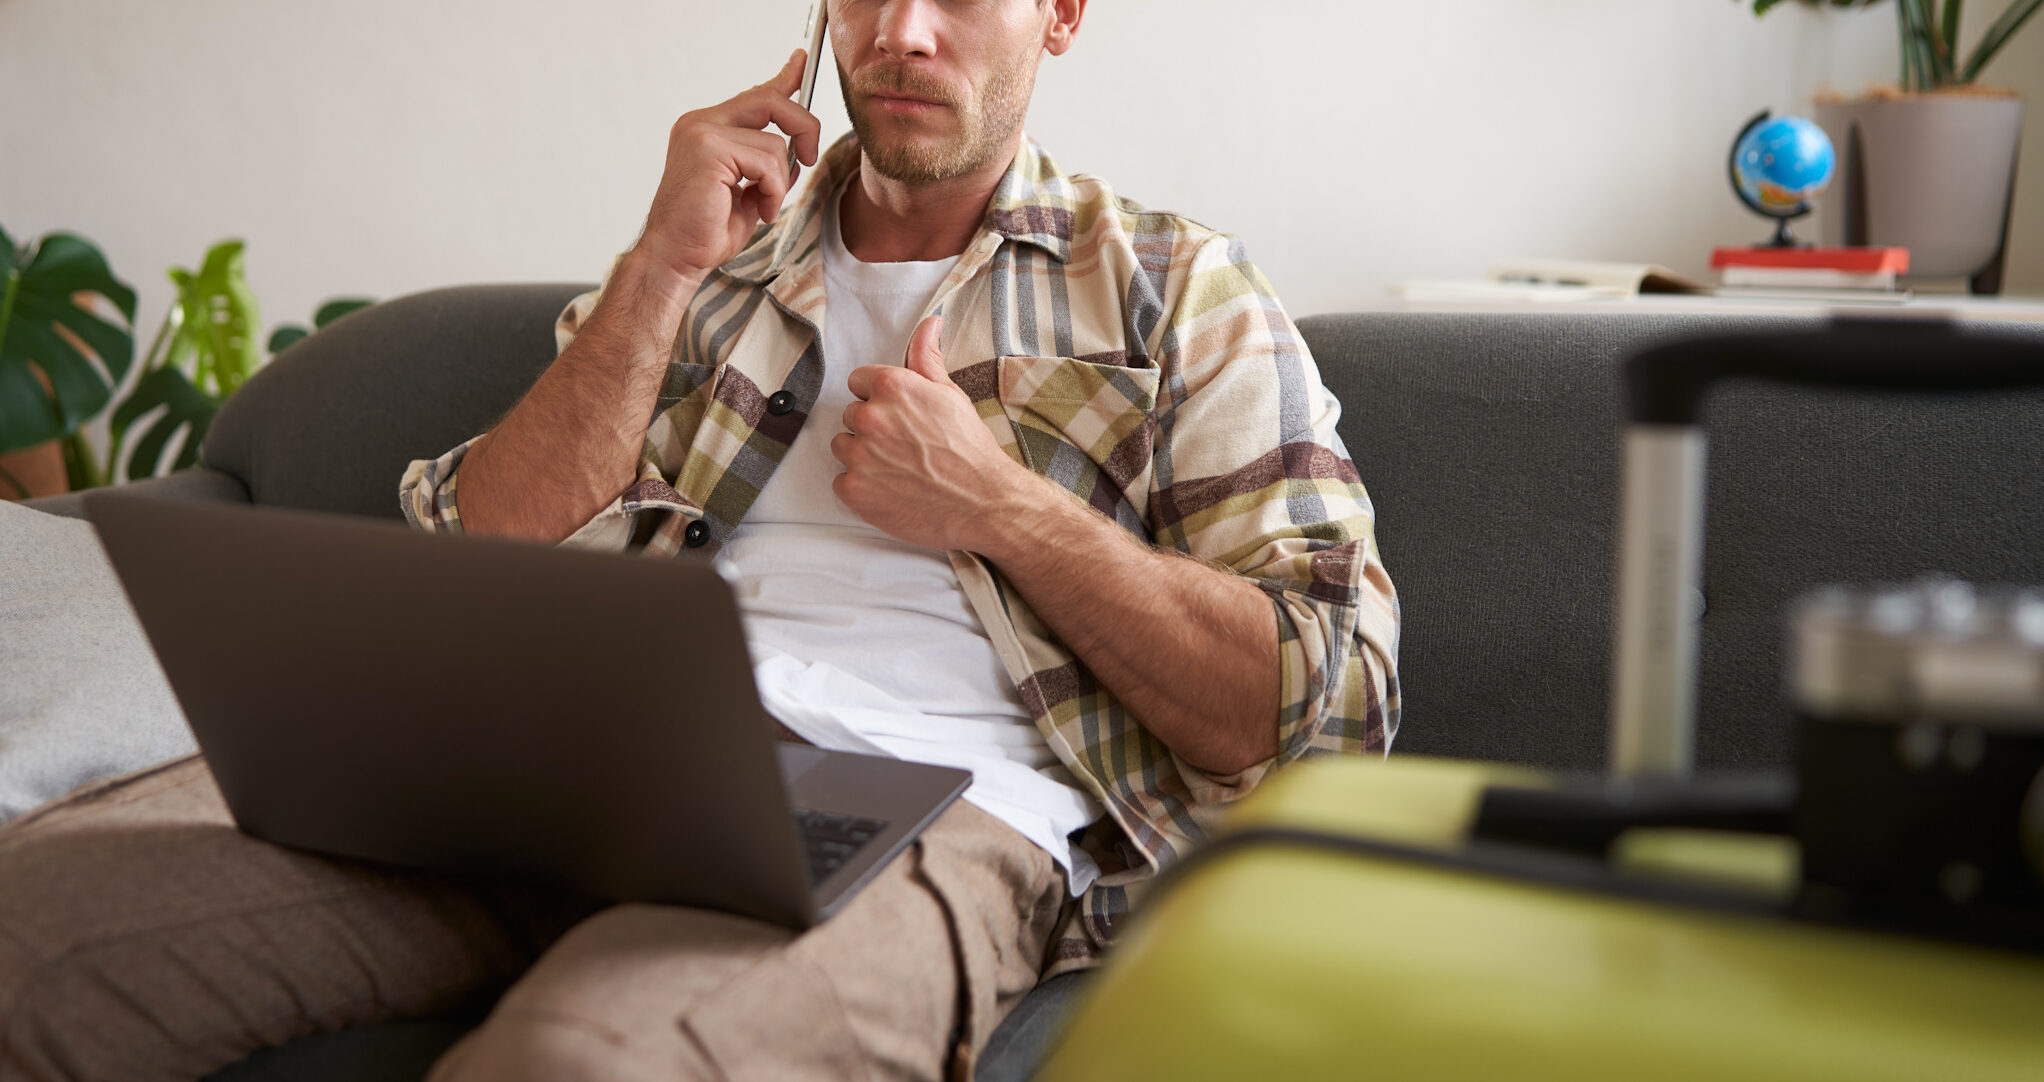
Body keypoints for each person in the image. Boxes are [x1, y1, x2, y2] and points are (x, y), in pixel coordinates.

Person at [0, 1, 1397, 1079]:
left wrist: (1001, 508)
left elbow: (1321, 702)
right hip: (564, 758)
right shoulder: (719, 255)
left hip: (916, 803)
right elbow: (482, 547)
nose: (901, 33)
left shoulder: (1174, 287)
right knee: (35, 926)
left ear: (1066, 11)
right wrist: (660, 271)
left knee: (589, 1065)